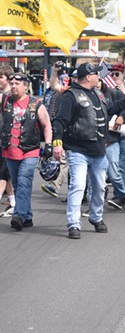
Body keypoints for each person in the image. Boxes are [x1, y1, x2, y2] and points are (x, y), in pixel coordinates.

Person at [52, 63, 125, 240]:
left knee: (100, 187)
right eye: (96, 74)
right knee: (77, 186)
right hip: (78, 150)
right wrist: (57, 143)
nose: (99, 77)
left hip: (99, 150)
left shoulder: (97, 93)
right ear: (88, 77)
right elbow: (60, 121)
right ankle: (73, 224)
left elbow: (109, 110)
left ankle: (96, 218)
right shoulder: (70, 96)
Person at [1, 72, 52, 230]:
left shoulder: (35, 104)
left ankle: (19, 214)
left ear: (25, 86)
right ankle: (27, 217)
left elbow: (46, 125)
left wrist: (49, 145)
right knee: (17, 184)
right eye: (12, 83)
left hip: (30, 151)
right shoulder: (4, 100)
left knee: (24, 181)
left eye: (18, 84)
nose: (14, 86)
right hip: (9, 151)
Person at [101, 73, 125, 211]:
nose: (114, 76)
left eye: (117, 74)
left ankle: (120, 197)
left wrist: (124, 91)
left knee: (121, 165)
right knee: (120, 167)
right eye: (111, 74)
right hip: (113, 133)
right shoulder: (108, 91)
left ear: (123, 75)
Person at [40, 60, 72, 199]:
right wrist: (55, 70)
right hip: (53, 127)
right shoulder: (55, 91)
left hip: (65, 129)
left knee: (64, 160)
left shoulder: (70, 92)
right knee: (59, 158)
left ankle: (55, 186)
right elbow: (53, 84)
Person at [0, 65, 16, 217]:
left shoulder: (11, 96)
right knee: (7, 174)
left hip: (9, 139)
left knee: (3, 174)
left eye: (1, 77)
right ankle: (13, 203)